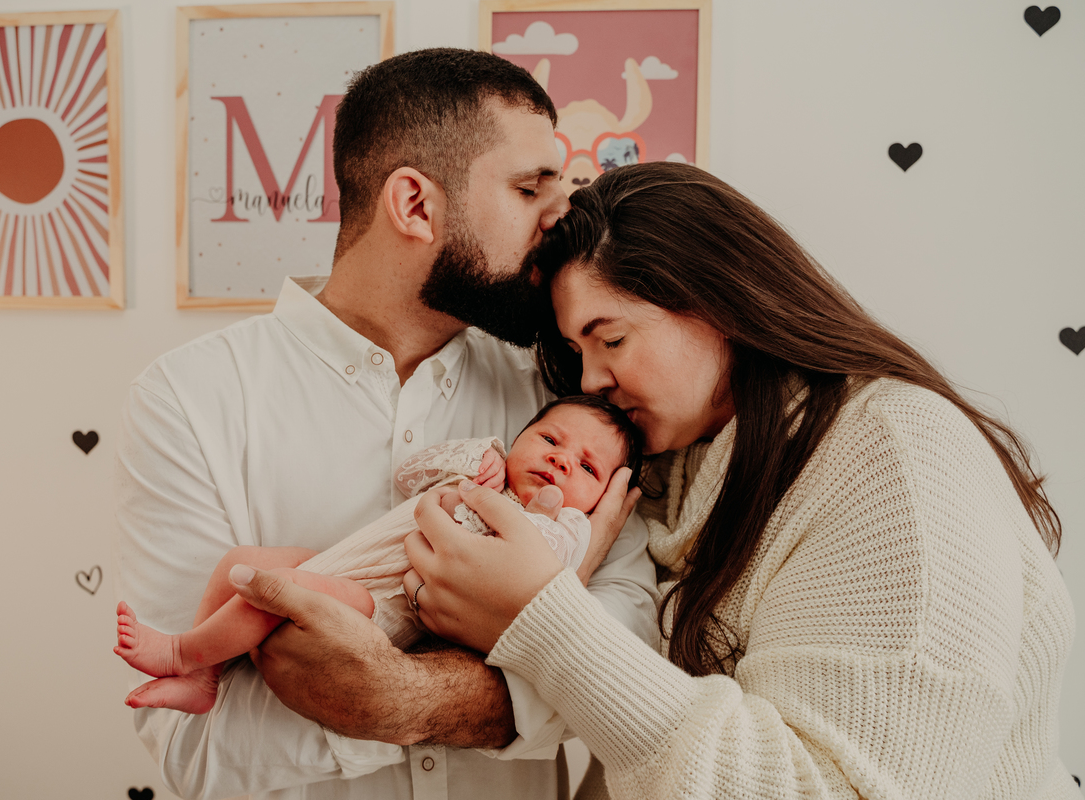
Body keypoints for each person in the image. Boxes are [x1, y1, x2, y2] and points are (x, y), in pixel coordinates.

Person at [226, 161, 1076, 799]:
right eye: (578, 352)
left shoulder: (896, 461)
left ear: (718, 301)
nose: (592, 382)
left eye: (611, 338)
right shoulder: (674, 473)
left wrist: (542, 618)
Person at [114, 48, 659, 800]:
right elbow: (200, 748)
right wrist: (516, 684)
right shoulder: (186, 399)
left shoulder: (566, 397)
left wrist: (401, 696)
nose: (559, 213)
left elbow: (635, 674)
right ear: (414, 205)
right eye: (529, 187)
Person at [115, 396, 643, 716]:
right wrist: (474, 456)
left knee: (275, 590)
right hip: (353, 558)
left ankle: (182, 653)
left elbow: (550, 578)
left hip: (379, 604)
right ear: (520, 436)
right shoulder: (486, 470)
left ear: (603, 499)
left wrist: (553, 519)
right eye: (550, 438)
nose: (560, 460)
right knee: (243, 557)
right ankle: (204, 679)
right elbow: (408, 475)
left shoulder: (564, 529)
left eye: (587, 468)